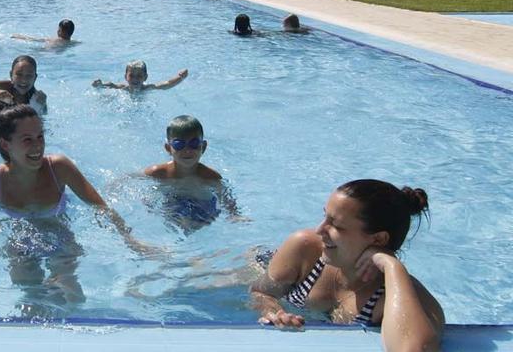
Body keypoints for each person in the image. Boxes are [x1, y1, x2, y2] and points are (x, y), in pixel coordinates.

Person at [0, 105, 155, 293]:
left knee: (72, 296)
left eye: (40, 136)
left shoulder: (59, 168)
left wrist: (131, 240)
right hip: (18, 240)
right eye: (27, 140)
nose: (38, 146)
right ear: (5, 145)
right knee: (29, 293)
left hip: (59, 234)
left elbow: (100, 207)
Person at [250, 179, 444, 350]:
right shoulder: (306, 248)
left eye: (337, 226)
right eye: (324, 216)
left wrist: (392, 265)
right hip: (262, 262)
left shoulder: (399, 294)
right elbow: (260, 292)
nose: (319, 230)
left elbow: (413, 349)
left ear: (378, 239)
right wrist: (273, 311)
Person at [144, 115, 240, 233]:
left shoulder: (210, 176)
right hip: (173, 203)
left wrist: (234, 214)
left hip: (203, 205)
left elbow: (225, 195)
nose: (187, 150)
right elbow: (131, 181)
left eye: (194, 144)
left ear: (203, 147)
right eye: (179, 144)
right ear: (168, 148)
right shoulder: (158, 173)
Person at [92, 60, 188, 91]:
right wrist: (100, 85)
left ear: (145, 77)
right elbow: (111, 85)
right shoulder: (123, 88)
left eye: (139, 76)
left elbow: (168, 83)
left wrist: (181, 77)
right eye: (131, 76)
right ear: (125, 77)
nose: (135, 79)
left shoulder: (148, 88)